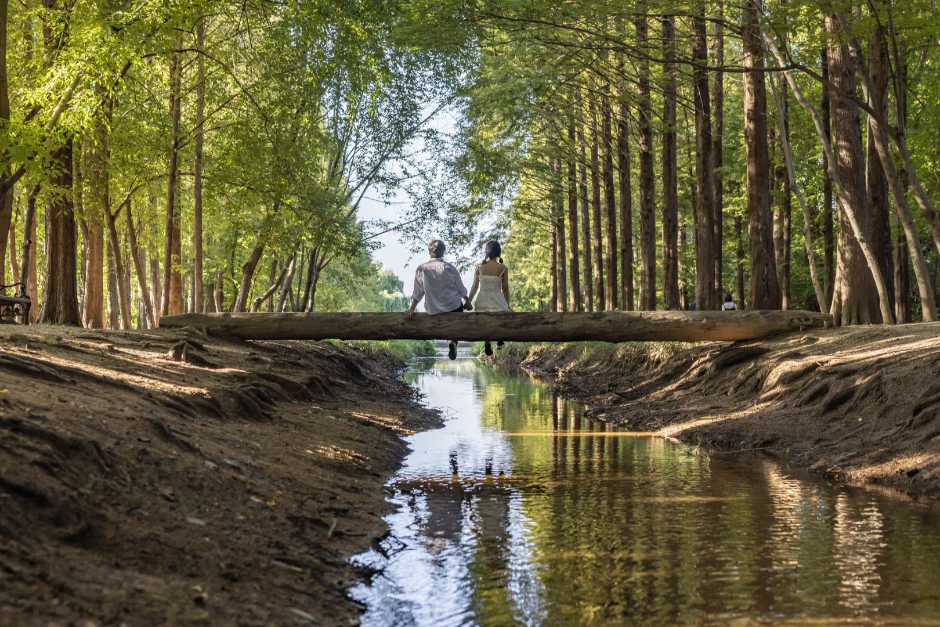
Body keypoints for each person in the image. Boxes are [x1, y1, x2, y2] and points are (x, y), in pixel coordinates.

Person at [404, 239, 473, 360]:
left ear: (429, 251)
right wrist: (467, 302)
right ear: (443, 252)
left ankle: (453, 341)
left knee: (446, 306)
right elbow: (461, 290)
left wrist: (411, 309)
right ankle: (453, 342)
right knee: (458, 305)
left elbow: (418, 293)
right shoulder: (450, 268)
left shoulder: (422, 269)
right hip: (454, 308)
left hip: (434, 310)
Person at [467, 240, 512, 356]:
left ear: (486, 252)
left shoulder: (479, 267)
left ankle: (487, 342)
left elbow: (475, 286)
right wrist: (507, 305)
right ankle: (500, 339)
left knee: (485, 320)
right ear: (498, 253)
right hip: (497, 300)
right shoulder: (503, 268)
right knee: (502, 316)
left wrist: (468, 301)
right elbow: (505, 289)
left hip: (482, 300)